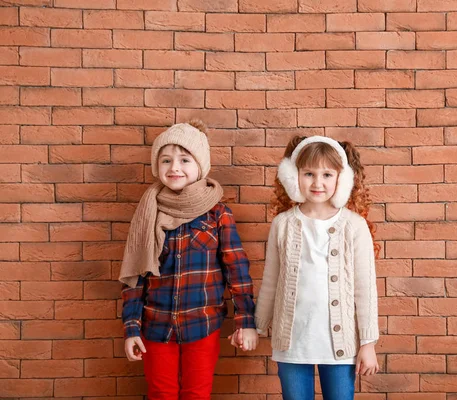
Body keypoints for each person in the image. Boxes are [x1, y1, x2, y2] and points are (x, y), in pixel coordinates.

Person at [119, 120, 258, 400]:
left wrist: (246, 321)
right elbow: (135, 274)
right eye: (166, 160)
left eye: (184, 159)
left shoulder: (218, 214)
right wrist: (131, 327)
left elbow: (237, 270)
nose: (174, 168)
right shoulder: (149, 212)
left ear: (200, 166)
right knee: (161, 393)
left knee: (197, 393)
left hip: (203, 324)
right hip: (156, 325)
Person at [254, 135, 380, 400]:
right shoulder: (283, 224)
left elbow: (365, 289)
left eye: (327, 174)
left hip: (340, 345)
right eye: (309, 173)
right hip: (292, 342)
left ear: (341, 179)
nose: (317, 182)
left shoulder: (354, 226)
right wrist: (257, 326)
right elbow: (271, 281)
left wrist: (368, 343)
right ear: (293, 176)